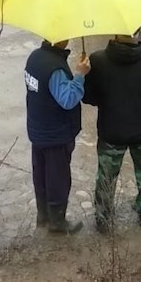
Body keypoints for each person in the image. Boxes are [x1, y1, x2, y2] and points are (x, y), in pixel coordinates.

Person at [83, 33, 141, 231]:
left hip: (110, 133)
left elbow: (88, 97)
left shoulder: (97, 60)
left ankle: (103, 216)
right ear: (138, 32)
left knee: (106, 176)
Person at [24, 39, 90, 234]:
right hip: (55, 134)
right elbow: (67, 100)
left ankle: (43, 216)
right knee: (58, 180)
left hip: (37, 130)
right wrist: (79, 76)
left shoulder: (34, 58)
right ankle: (57, 222)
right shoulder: (55, 69)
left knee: (41, 176)